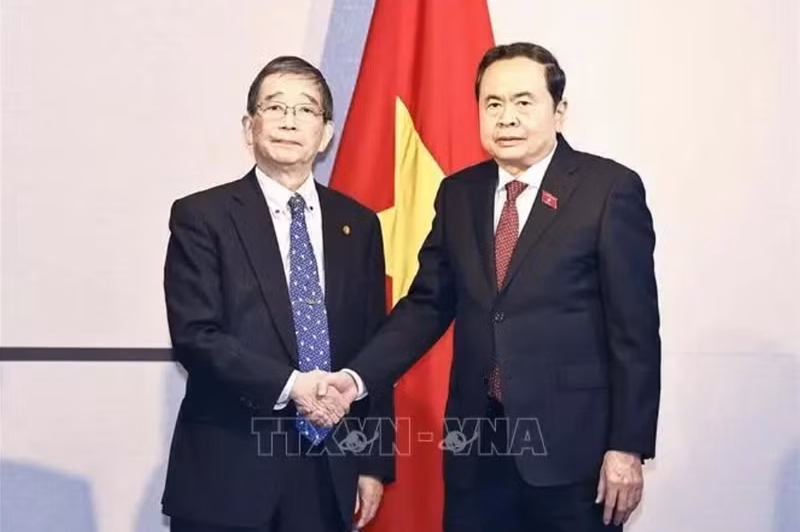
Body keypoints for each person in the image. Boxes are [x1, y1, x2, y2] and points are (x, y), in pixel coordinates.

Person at [319, 42, 661, 531]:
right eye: (493, 104)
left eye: (524, 102)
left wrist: (627, 445)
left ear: (558, 111)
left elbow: (636, 333)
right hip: (475, 454)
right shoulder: (459, 193)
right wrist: (355, 379)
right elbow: (426, 306)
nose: (507, 118)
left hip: (573, 456)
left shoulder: (608, 190)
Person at [162, 55, 394, 532]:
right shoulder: (202, 216)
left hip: (328, 467)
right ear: (250, 127)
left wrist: (373, 460)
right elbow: (195, 336)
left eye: (306, 110)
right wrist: (294, 386)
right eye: (275, 107)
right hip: (229, 469)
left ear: (326, 132)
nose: (290, 121)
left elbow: (377, 346)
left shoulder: (359, 224)